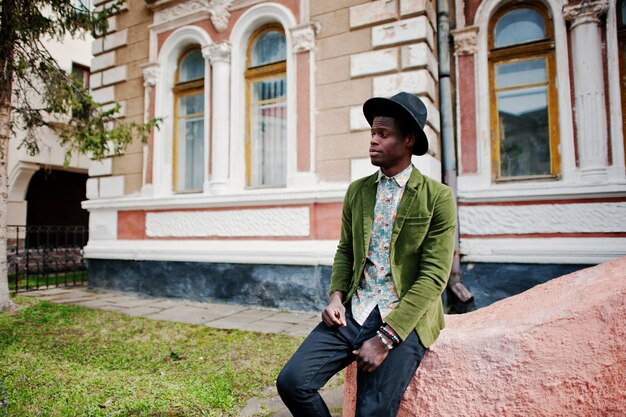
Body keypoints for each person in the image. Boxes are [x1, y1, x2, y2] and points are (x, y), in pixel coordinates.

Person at [276, 92, 457, 417]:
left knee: (371, 411)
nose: (373, 141)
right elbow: (346, 250)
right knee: (292, 382)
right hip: (354, 309)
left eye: (383, 134)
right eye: (372, 133)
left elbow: (434, 277)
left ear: (408, 141)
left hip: (403, 317)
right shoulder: (358, 191)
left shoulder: (437, 197)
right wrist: (335, 298)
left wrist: (386, 338)